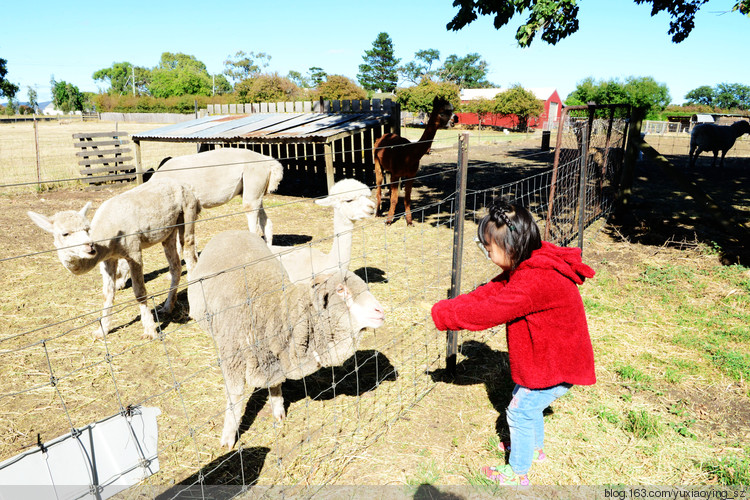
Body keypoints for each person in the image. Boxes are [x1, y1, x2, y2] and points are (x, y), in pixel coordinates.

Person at [430, 198, 596, 485]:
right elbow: (492, 291)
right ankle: (533, 449)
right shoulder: (531, 263)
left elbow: (489, 310)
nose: (486, 252)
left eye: (488, 248)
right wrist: (450, 306)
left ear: (509, 248)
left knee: (519, 410)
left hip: (557, 363)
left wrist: (444, 314)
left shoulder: (533, 282)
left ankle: (517, 472)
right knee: (528, 401)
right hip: (550, 359)